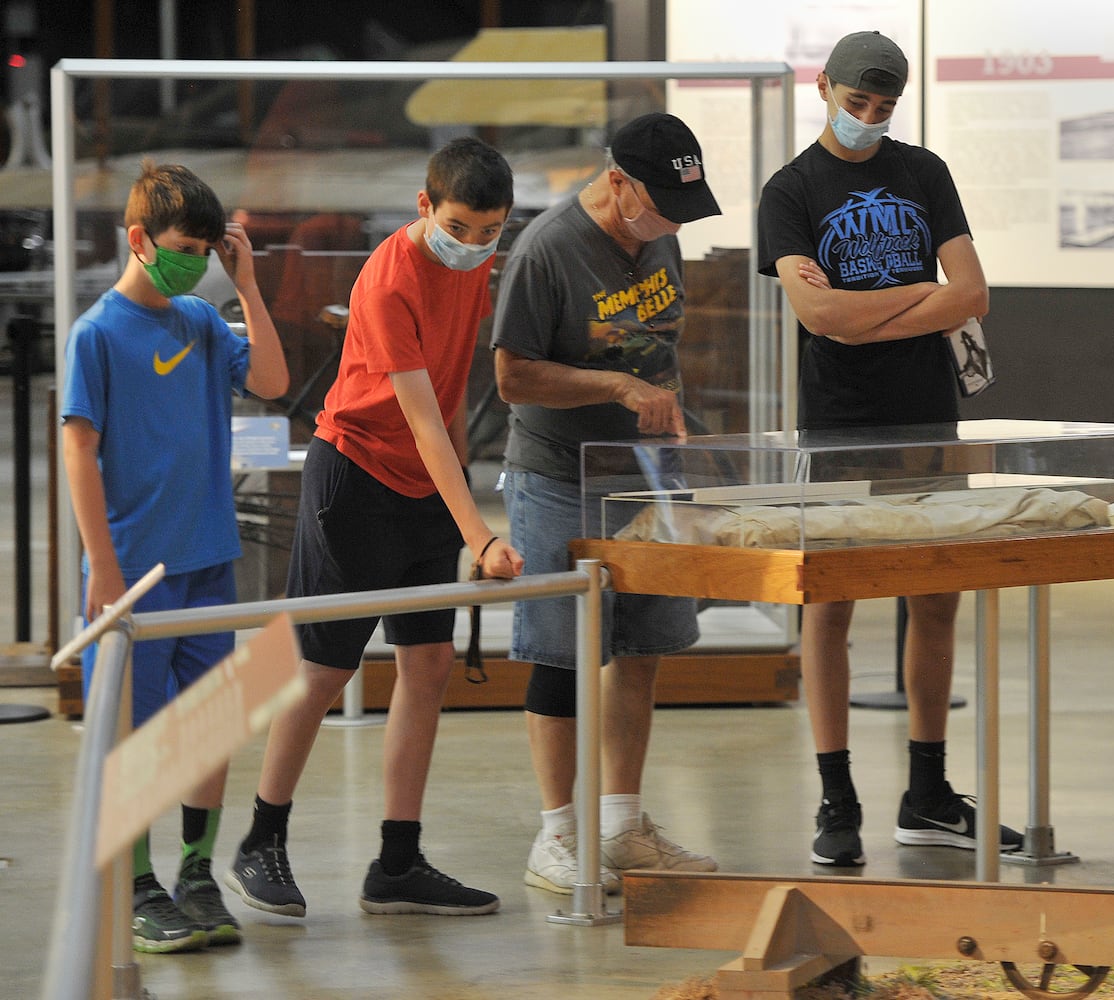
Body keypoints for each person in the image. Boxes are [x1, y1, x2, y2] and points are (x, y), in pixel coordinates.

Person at [224, 137, 524, 918]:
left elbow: (451, 396)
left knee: (428, 664)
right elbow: (418, 418)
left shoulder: (478, 264)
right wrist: (479, 534)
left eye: (492, 231)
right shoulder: (389, 276)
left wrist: (453, 512)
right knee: (324, 669)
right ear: (425, 207)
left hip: (428, 483)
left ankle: (397, 862)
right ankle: (261, 839)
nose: (475, 245)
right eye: (461, 227)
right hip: (354, 475)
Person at [756, 31, 1024, 866]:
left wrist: (870, 305)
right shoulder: (790, 190)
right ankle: (836, 798)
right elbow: (819, 318)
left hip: (926, 420)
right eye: (856, 102)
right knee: (831, 605)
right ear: (826, 88)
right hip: (838, 422)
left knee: (935, 598)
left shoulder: (924, 171)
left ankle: (929, 792)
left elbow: (974, 294)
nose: (868, 118)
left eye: (883, 107)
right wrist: (922, 299)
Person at [62, 161, 290, 952]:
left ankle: (196, 870)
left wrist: (246, 287)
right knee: (133, 736)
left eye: (205, 246)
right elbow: (79, 451)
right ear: (139, 239)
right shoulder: (95, 334)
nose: (196, 258)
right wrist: (103, 565)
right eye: (185, 246)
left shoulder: (200, 318)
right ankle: (135, 883)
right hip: (135, 573)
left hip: (208, 561)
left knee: (206, 728)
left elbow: (270, 379)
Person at [492, 113, 721, 895]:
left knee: (644, 645)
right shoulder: (547, 250)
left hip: (650, 473)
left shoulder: (662, 234)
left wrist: (675, 418)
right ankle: (557, 834)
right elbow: (513, 376)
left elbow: (661, 347)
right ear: (618, 182)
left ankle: (622, 825)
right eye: (660, 205)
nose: (670, 224)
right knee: (561, 651)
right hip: (560, 474)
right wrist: (615, 386)